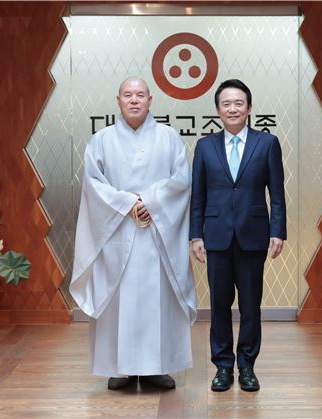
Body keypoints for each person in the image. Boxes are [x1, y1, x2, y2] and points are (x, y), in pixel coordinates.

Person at [70, 77, 197, 391]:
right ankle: (120, 367)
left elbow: (181, 180)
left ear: (151, 100)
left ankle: (158, 367)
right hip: (116, 232)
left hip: (158, 234)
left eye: (140, 95)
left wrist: (149, 202)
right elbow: (93, 185)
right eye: (128, 95)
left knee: (159, 299)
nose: (134, 100)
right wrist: (127, 204)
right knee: (118, 301)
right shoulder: (101, 140)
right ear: (118, 100)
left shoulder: (169, 138)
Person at [189, 79, 286, 392]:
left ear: (249, 108)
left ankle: (247, 366)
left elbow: (277, 193)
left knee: (250, 305)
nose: (233, 108)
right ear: (218, 110)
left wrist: (278, 230)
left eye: (238, 103)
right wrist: (195, 235)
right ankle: (222, 367)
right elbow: (198, 196)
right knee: (218, 305)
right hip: (215, 236)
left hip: (253, 235)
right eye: (226, 104)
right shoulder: (205, 146)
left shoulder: (267, 143)